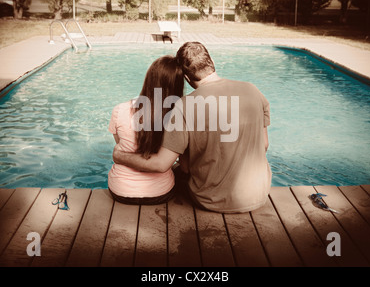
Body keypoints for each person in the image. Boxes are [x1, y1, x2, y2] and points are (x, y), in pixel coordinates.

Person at [113, 42, 271, 213]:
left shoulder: (185, 105)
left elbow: (162, 164)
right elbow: (264, 145)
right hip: (259, 194)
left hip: (211, 200)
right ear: (212, 63)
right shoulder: (253, 90)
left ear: (187, 78)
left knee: (178, 172)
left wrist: (120, 156)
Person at [108, 55, 184, 205]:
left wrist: (119, 156)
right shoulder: (179, 117)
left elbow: (121, 146)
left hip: (120, 191)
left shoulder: (120, 110)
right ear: (177, 86)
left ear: (149, 79)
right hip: (160, 192)